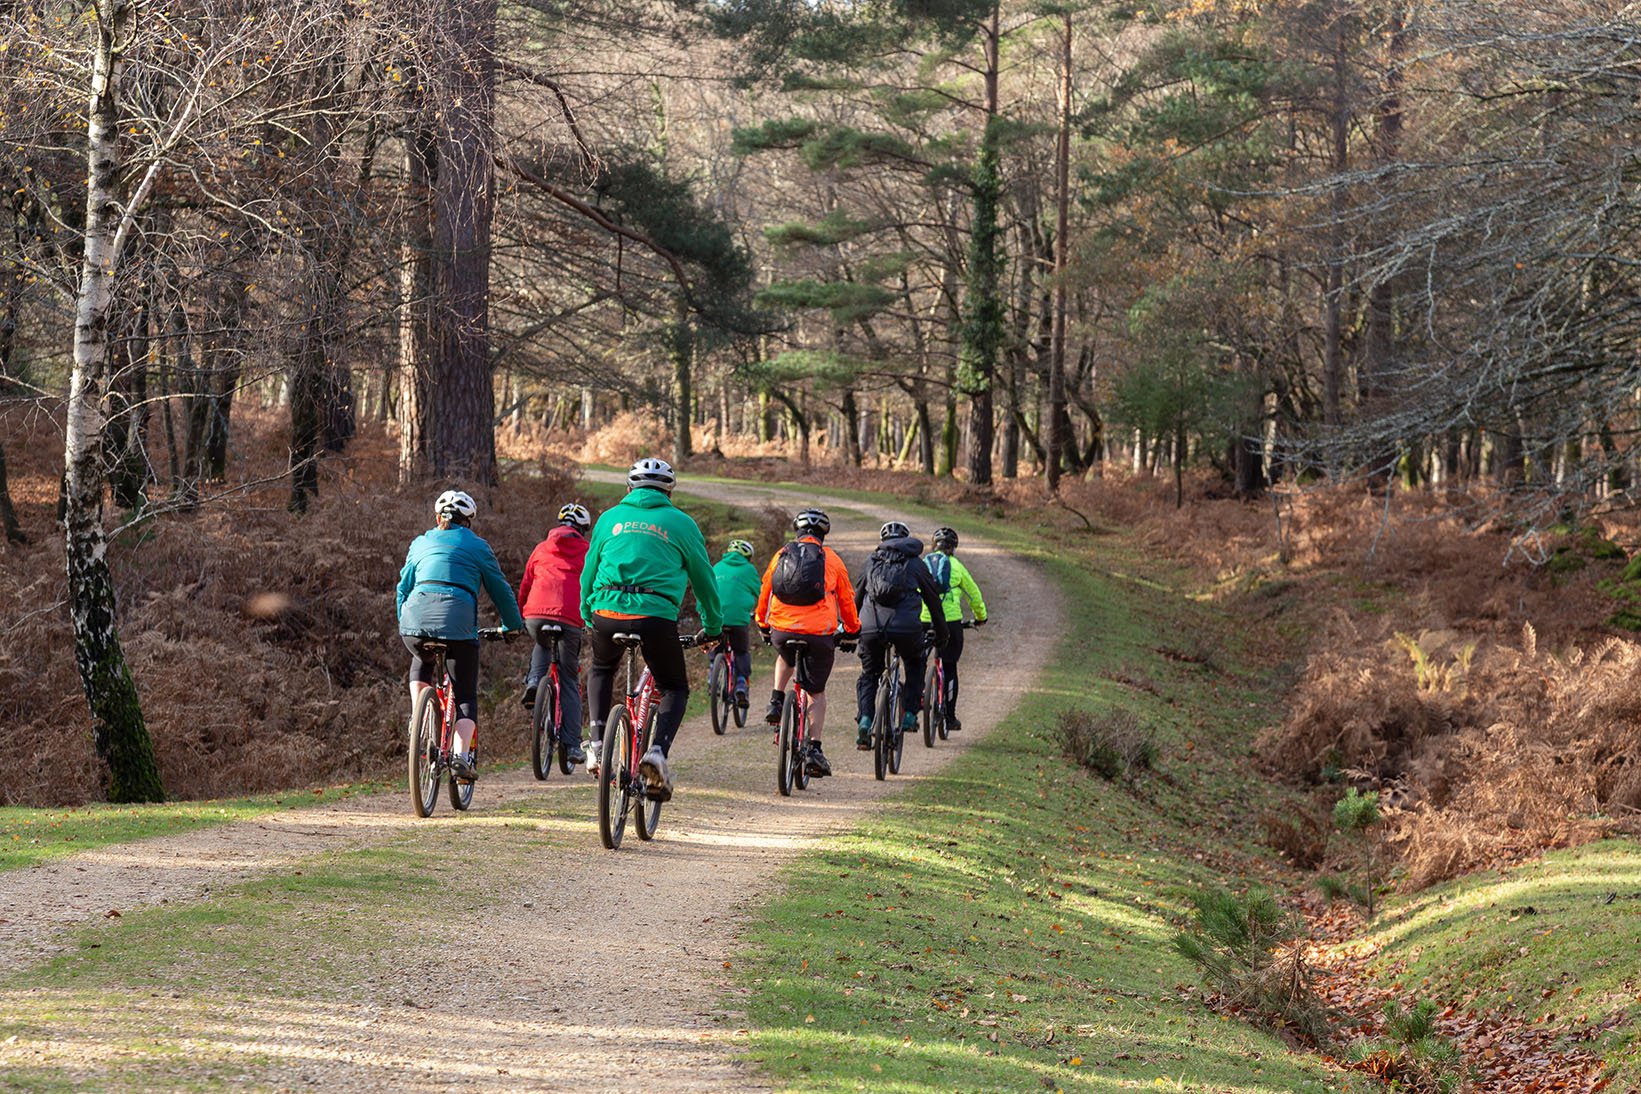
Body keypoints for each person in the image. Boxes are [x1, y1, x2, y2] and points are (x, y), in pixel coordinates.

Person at [580, 457, 722, 800]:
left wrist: (588, 613)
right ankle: (656, 753)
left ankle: (597, 743)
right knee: (674, 687)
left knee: (601, 667)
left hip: (606, 612)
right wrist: (712, 626)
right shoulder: (681, 523)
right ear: (669, 492)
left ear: (629, 489)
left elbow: (589, 570)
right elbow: (704, 580)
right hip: (655, 617)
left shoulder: (609, 518)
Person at [396, 489, 526, 782]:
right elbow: (500, 590)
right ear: (468, 521)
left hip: (414, 620)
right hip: (457, 624)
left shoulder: (420, 542)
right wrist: (512, 626)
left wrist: (404, 622)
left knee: (421, 656)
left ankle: (419, 717)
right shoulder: (478, 546)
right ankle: (461, 758)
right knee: (465, 694)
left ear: (437, 517)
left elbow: (402, 589)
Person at [755, 508, 859, 778]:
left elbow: (766, 588)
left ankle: (776, 700)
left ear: (797, 532)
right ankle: (814, 748)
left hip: (782, 629)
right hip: (818, 634)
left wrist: (763, 623)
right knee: (816, 692)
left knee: (786, 657)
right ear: (823, 534)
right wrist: (852, 630)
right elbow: (847, 600)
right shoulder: (832, 560)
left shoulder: (782, 554)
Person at [853, 520, 949, 750]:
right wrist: (941, 632)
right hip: (906, 628)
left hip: (871, 627)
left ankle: (865, 720)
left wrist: (848, 629)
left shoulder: (871, 561)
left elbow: (855, 598)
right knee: (915, 664)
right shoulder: (915, 564)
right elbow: (932, 599)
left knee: (869, 674)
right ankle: (908, 715)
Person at [517, 502, 593, 764]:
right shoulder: (588, 551)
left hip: (536, 614)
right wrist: (593, 617)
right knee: (569, 679)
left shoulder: (541, 548)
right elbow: (596, 584)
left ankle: (534, 683)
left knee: (542, 642)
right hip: (571, 617)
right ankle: (572, 746)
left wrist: (519, 616)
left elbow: (526, 584)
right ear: (583, 529)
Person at [919, 525, 988, 732]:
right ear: (953, 547)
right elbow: (973, 594)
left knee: (917, 661)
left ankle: (918, 696)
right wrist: (980, 617)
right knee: (949, 668)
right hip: (950, 622)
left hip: (924, 620)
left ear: (934, 545)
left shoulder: (922, 564)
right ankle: (949, 717)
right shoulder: (957, 566)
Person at [712, 539, 762, 716]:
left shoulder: (717, 567)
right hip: (738, 620)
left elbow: (706, 591)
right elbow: (761, 594)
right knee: (741, 652)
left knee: (715, 647)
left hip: (716, 618)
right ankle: (741, 681)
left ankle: (713, 672)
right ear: (748, 557)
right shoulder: (748, 570)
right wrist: (759, 613)